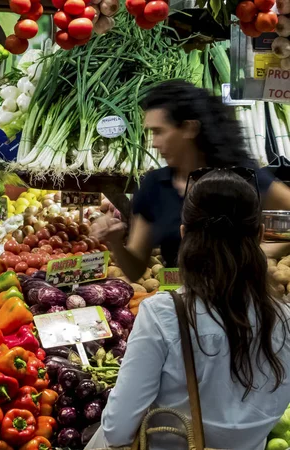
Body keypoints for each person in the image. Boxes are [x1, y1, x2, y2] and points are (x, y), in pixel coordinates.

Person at [88, 170, 290, 450]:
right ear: (259, 234)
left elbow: (117, 431)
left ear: (184, 233)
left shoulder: (163, 314)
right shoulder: (285, 320)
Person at [93, 81, 290, 281]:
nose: (154, 142)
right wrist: (116, 243)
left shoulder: (242, 177)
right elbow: (135, 270)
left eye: (159, 131)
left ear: (189, 128)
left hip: (238, 304)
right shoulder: (154, 186)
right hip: (181, 303)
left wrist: (263, 253)